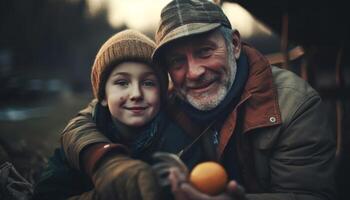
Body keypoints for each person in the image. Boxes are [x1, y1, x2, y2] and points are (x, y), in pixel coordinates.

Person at [59, 0, 337, 200]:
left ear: (235, 45)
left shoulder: (294, 105)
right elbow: (84, 121)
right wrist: (107, 162)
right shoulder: (170, 97)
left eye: (205, 51)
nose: (193, 72)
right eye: (178, 61)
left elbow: (310, 194)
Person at [33, 29, 202, 200]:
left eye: (148, 83)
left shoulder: (179, 143)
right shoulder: (78, 146)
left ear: (162, 93)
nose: (136, 94)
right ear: (103, 96)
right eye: (122, 83)